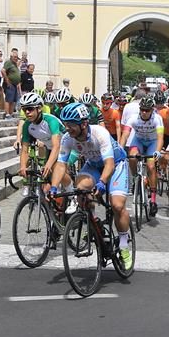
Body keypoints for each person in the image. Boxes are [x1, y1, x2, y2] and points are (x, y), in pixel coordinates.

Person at [57, 102, 134, 269]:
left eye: (70, 125)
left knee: (117, 205)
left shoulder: (100, 133)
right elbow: (61, 164)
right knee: (81, 189)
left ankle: (123, 244)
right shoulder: (67, 138)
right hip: (93, 164)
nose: (67, 128)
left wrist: (102, 183)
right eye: (65, 124)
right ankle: (91, 221)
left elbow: (109, 164)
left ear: (83, 123)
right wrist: (55, 187)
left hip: (115, 164)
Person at [122, 96, 165, 214]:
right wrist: (120, 149)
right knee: (132, 156)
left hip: (152, 142)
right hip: (139, 141)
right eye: (142, 110)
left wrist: (158, 150)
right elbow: (125, 135)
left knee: (151, 166)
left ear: (152, 110)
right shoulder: (133, 118)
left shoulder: (157, 119)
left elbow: (160, 138)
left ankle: (153, 200)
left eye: (147, 110)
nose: (144, 112)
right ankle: (136, 178)